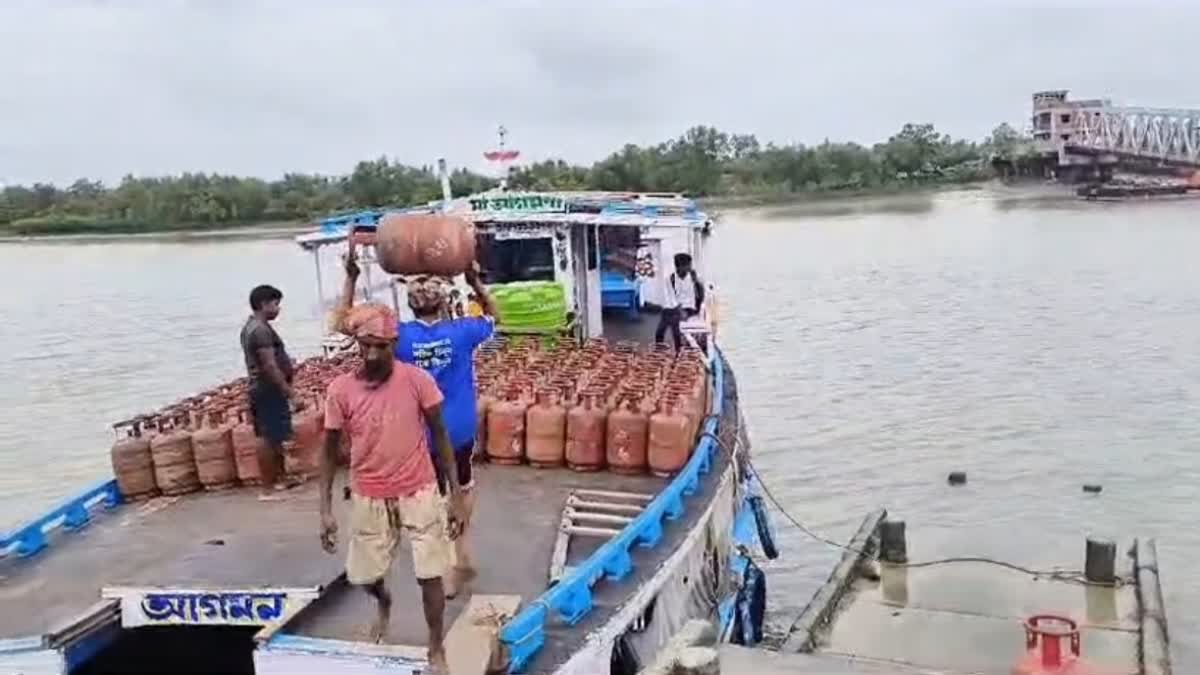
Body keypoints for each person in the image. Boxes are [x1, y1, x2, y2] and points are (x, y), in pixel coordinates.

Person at [318, 303, 466, 675]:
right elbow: (329, 450)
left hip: (419, 489)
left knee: (429, 574)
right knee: (364, 576)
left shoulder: (417, 380)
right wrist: (324, 509)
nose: (371, 353)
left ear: (393, 345)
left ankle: (435, 645)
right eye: (364, 345)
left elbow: (442, 436)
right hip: (368, 492)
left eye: (380, 346)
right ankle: (383, 601)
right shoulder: (340, 390)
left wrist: (456, 495)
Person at [336, 256, 497, 598]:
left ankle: (450, 569)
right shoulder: (463, 331)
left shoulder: (397, 337)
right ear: (443, 299)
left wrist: (350, 278)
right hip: (460, 428)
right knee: (463, 487)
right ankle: (462, 552)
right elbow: (496, 318)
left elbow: (344, 324)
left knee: (433, 500)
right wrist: (475, 281)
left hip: (418, 433)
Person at [240, 284, 301, 500]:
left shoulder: (257, 327)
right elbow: (269, 366)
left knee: (276, 436)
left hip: (269, 389)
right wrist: (290, 392)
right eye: (276, 304)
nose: (278, 309)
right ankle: (266, 489)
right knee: (266, 438)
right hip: (267, 389)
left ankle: (280, 481)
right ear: (264, 304)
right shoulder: (260, 330)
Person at [655, 252, 705, 352]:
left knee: (675, 322)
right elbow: (671, 297)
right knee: (661, 328)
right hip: (675, 307)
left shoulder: (693, 277)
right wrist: (679, 309)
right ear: (680, 266)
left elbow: (701, 296)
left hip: (690, 307)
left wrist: (697, 282)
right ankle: (659, 349)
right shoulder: (670, 279)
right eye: (688, 265)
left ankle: (679, 350)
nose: (690, 267)